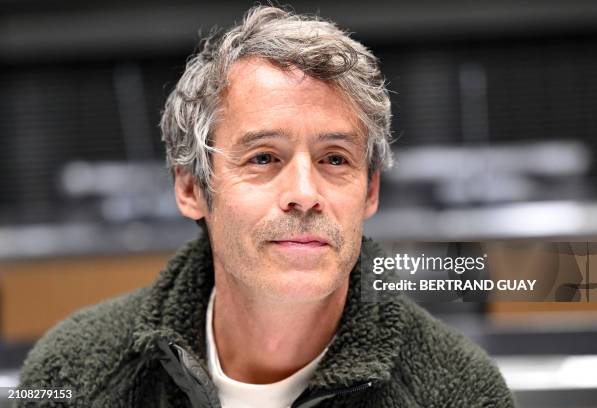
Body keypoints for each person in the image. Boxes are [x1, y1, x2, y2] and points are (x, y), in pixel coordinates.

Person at [17, 5, 515, 407]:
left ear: (370, 193)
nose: (304, 191)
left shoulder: (460, 392)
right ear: (191, 188)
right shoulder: (72, 376)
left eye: (334, 158)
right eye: (263, 157)